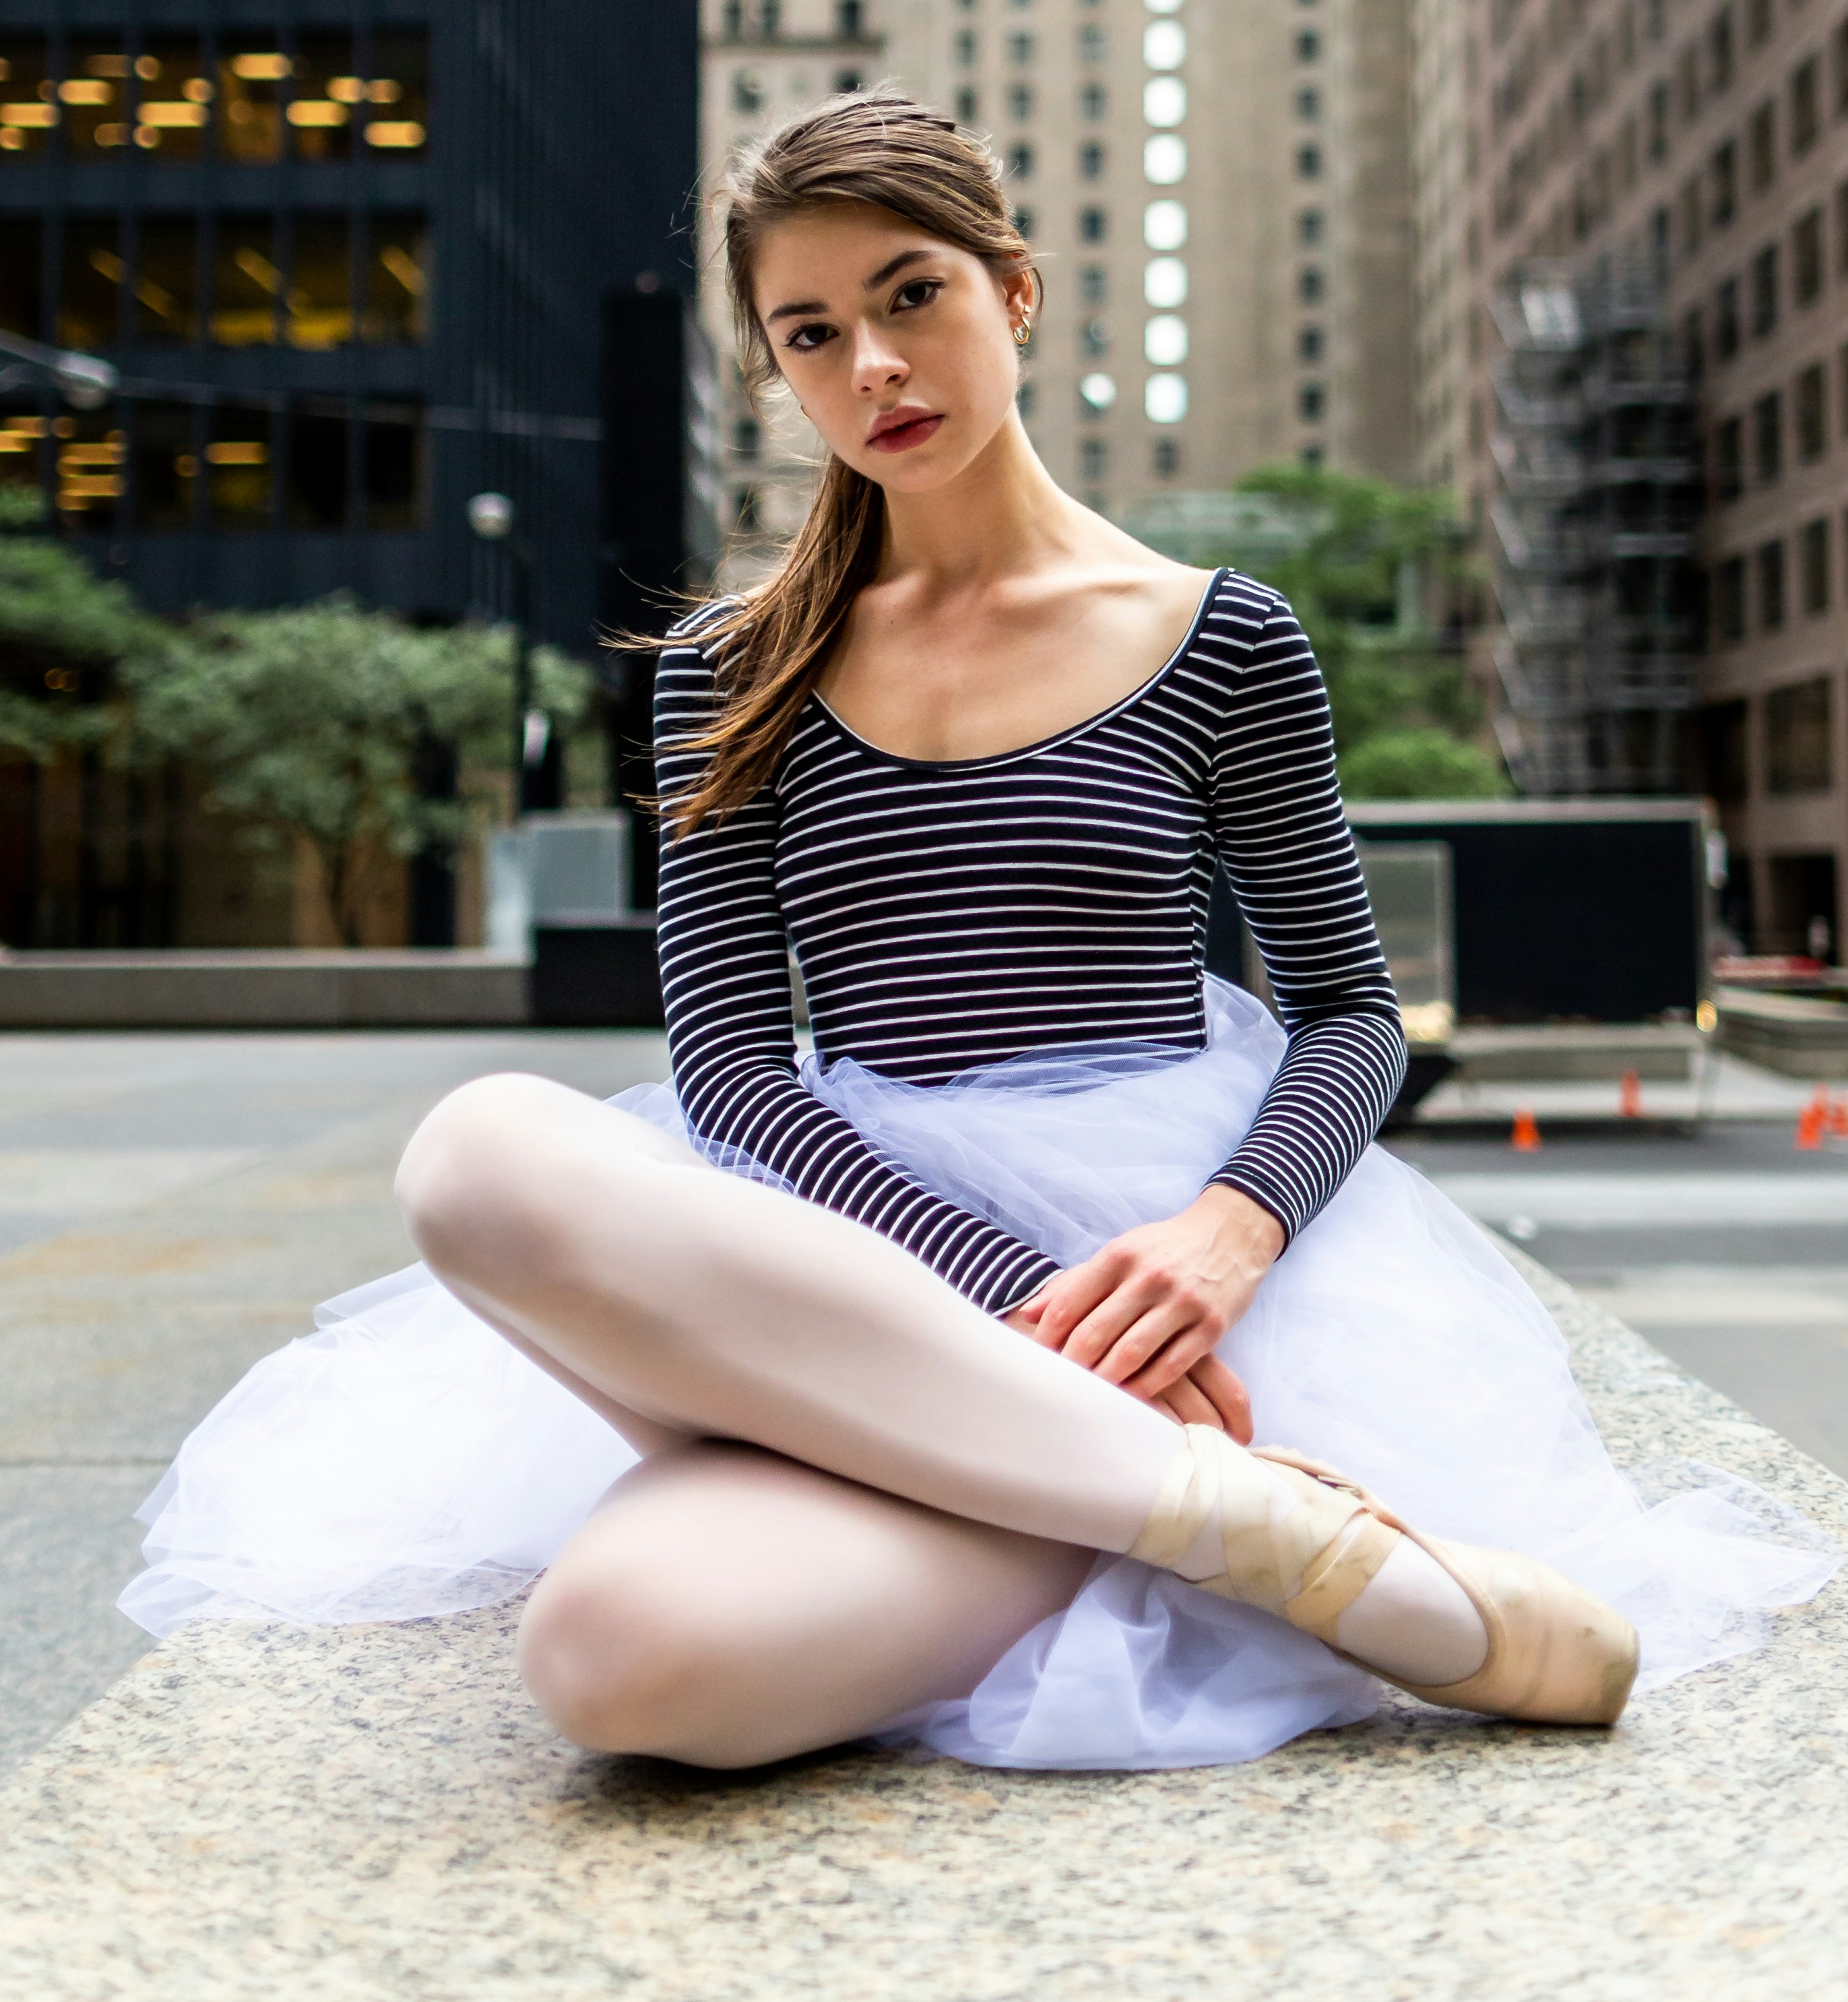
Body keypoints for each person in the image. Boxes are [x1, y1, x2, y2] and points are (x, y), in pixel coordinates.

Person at [122, 90, 1836, 1773]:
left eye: (909, 297)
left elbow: (1348, 1012)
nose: (870, 365)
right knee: (495, 1225)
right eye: (810, 334)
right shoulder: (730, 670)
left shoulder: (1222, 637)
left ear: (1010, 293)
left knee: (627, 1649)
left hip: (1162, 1266)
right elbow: (729, 1068)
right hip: (862, 1258)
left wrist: (1223, 1239)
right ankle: (1249, 1528)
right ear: (777, 372)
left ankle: (1131, 1497)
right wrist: (1004, 1303)